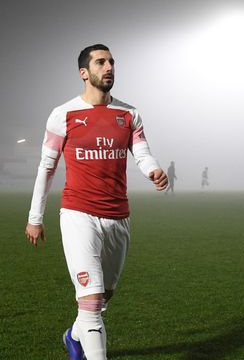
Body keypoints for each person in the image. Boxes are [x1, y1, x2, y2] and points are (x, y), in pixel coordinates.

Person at [25, 44, 168, 360]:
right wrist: (36, 217)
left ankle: (74, 337)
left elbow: (141, 152)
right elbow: (46, 168)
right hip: (78, 214)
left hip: (118, 216)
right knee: (89, 303)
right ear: (84, 73)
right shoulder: (63, 115)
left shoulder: (129, 114)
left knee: (102, 298)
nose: (109, 67)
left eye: (112, 62)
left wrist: (153, 170)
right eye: (101, 62)